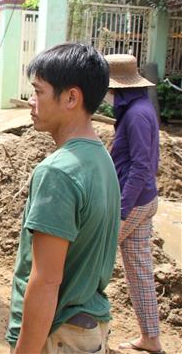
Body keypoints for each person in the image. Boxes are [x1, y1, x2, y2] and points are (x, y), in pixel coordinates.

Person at [6, 43, 121, 353]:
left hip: (58, 335)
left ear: (71, 98)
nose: (31, 102)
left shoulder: (58, 172)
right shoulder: (100, 159)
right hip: (86, 327)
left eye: (38, 92)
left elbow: (46, 282)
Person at [104, 55, 164, 354]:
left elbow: (141, 166)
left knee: (93, 259)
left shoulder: (136, 115)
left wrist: (122, 211)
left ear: (116, 87)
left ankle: (85, 333)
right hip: (145, 198)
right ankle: (150, 338)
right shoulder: (141, 108)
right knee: (139, 272)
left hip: (134, 202)